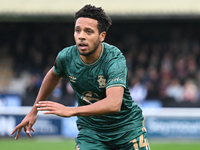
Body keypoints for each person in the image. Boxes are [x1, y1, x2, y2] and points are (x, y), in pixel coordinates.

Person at [11, 4, 150, 150]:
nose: (81, 36)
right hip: (91, 132)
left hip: (126, 128)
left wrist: (71, 111)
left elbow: (114, 104)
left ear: (102, 36)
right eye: (78, 30)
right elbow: (53, 75)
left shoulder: (114, 59)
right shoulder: (66, 57)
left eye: (88, 31)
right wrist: (34, 110)